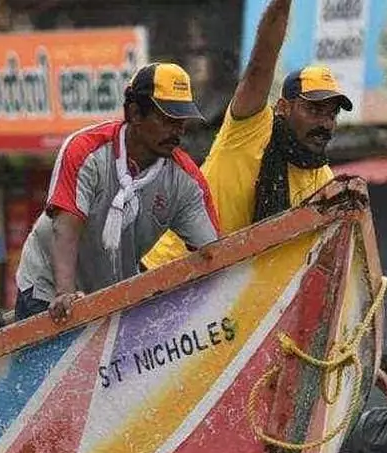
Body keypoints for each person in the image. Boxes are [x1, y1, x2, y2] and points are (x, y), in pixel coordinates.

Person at [142, 0, 352, 269]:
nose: (324, 123)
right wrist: (281, 5)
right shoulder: (250, 129)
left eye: (331, 115)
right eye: (313, 110)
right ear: (283, 107)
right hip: (166, 273)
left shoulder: (324, 183)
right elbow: (260, 65)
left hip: (230, 295)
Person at [14, 62, 219, 322]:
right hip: (47, 290)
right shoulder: (85, 149)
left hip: (112, 298)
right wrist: (64, 295)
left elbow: (213, 252)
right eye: (168, 120)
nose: (178, 131)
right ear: (134, 113)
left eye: (182, 121)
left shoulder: (186, 181)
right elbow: (65, 227)